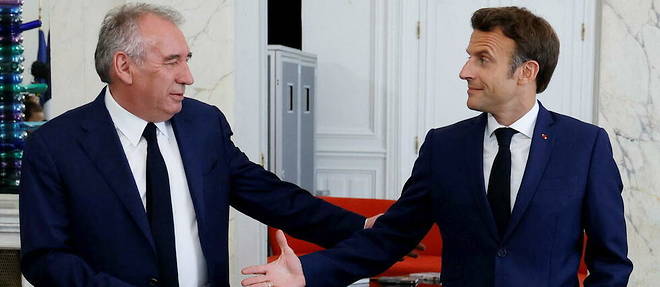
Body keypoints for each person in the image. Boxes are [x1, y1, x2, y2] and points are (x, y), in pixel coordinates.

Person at [241, 6, 633, 287]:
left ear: (526, 72)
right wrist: (308, 273)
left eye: (483, 59)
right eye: (469, 57)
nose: (465, 71)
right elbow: (390, 237)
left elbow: (611, 261)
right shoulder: (443, 146)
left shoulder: (585, 146)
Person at [18, 3, 390, 286]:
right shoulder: (54, 146)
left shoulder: (203, 124)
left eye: (187, 60)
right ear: (124, 66)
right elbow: (44, 258)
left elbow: (271, 195)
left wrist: (361, 227)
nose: (188, 76)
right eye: (172, 62)